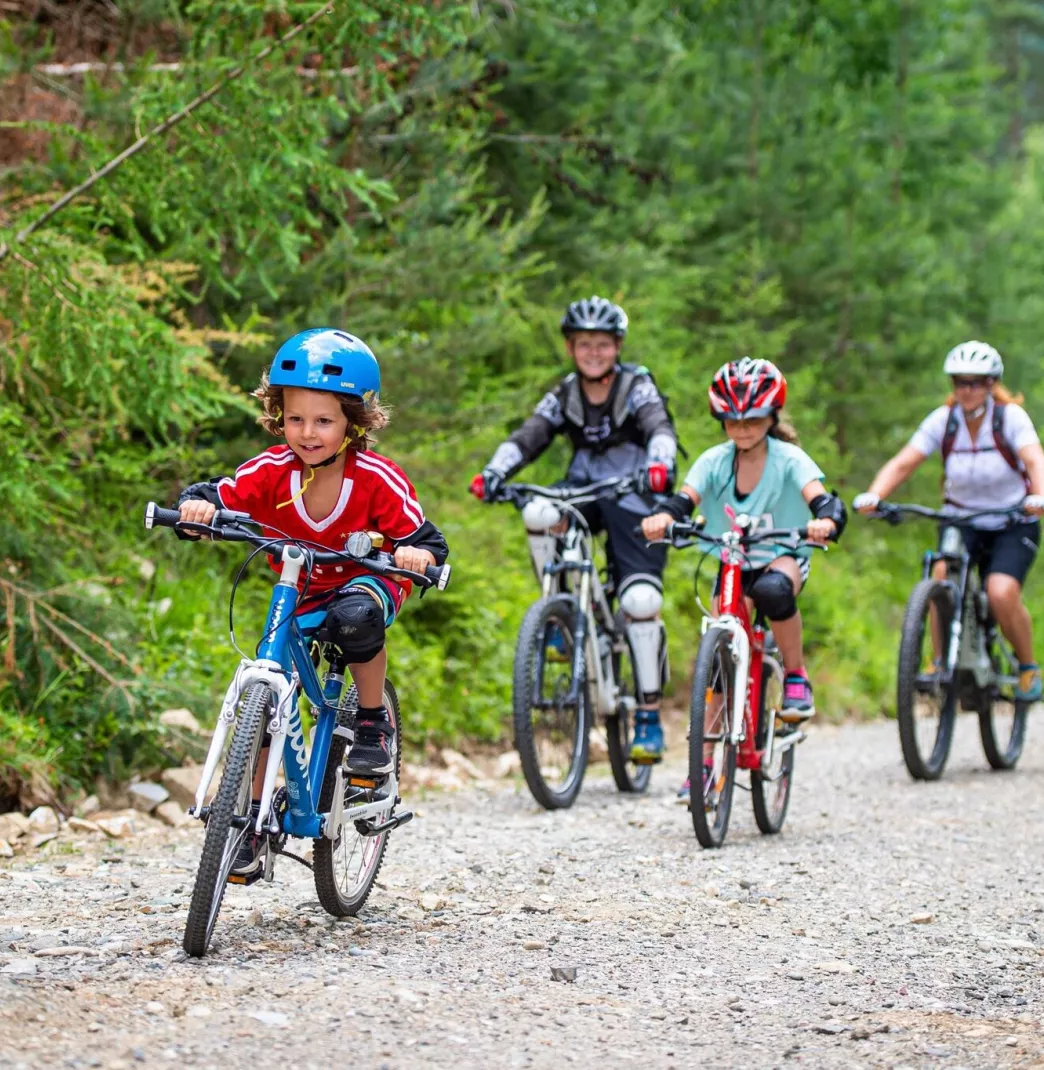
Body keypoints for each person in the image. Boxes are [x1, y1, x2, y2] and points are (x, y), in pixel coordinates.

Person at [174, 328, 449, 881]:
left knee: (356, 620)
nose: (308, 433)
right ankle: (247, 823)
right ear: (279, 415)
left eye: (323, 421)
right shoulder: (270, 471)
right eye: (295, 418)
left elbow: (424, 537)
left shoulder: (376, 480)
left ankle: (370, 722)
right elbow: (219, 492)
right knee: (265, 686)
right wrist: (196, 509)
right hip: (298, 589)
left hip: (364, 583)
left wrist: (416, 554)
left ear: (353, 420)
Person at [471, 296, 680, 764]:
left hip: (636, 495)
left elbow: (659, 427)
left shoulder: (637, 386)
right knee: (539, 513)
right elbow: (530, 434)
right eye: (584, 343)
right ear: (570, 347)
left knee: (640, 602)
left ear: (617, 346)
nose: (593, 352)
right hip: (582, 492)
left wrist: (661, 464)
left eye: (602, 344)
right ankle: (561, 613)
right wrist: (493, 471)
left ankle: (647, 717)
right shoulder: (565, 392)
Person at [642, 358, 846, 795]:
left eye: (752, 419)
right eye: (732, 420)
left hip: (783, 553)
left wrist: (825, 520)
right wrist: (663, 517)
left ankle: (795, 676)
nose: (742, 428)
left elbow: (822, 500)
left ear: (771, 417)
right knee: (717, 658)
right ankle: (706, 767)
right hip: (731, 558)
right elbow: (683, 500)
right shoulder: (715, 461)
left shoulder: (789, 459)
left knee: (774, 592)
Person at [852, 340, 1044, 700]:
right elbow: (904, 462)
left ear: (992, 383)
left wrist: (1040, 497)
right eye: (960, 382)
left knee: (1001, 592)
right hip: (960, 518)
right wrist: (875, 495)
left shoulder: (1009, 418)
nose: (966, 390)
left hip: (1012, 520)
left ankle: (1027, 666)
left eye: (975, 382)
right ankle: (940, 660)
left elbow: (1037, 461)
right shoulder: (944, 421)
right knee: (940, 575)